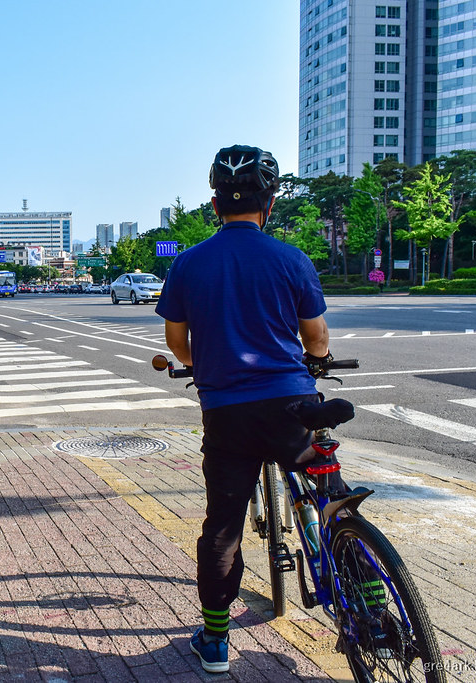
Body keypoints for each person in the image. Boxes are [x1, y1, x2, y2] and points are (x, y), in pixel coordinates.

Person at [154, 144, 333, 674]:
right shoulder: (290, 259)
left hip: (227, 411)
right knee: (327, 486)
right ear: (268, 204)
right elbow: (317, 337)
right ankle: (358, 576)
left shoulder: (188, 264)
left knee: (223, 526)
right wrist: (315, 362)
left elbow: (178, 343)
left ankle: (214, 641)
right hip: (291, 404)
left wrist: (203, 365)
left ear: (215, 205)